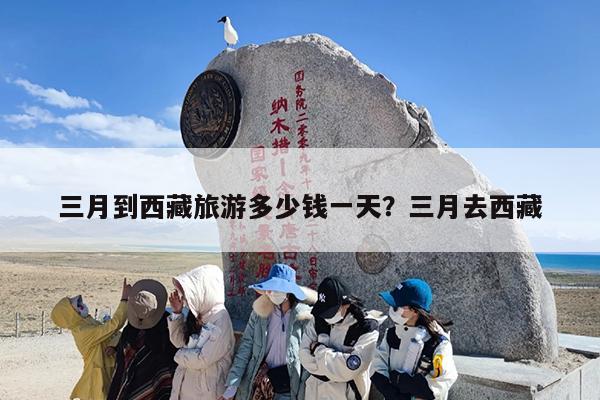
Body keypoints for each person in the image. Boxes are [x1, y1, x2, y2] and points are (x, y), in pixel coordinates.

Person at [220, 263, 317, 400]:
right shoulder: (259, 314)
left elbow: (308, 363)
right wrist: (232, 385)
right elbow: (245, 348)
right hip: (262, 383)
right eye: (270, 289)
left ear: (288, 292)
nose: (271, 292)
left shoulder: (304, 319)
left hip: (289, 389)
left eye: (277, 289)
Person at [370, 279, 458, 400]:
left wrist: (406, 383)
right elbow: (377, 363)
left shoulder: (438, 342)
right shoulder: (392, 334)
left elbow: (443, 380)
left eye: (396, 306)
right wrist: (389, 391)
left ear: (415, 311)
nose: (392, 309)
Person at [299, 276, 385, 400]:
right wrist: (336, 368)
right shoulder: (319, 317)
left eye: (330, 311)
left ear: (346, 305)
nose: (326, 317)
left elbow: (352, 369)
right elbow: (304, 356)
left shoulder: (365, 326)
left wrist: (318, 349)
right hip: (315, 394)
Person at [50, 278, 130, 400]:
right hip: (96, 379)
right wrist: (124, 299)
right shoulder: (82, 332)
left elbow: (113, 334)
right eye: (77, 306)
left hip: (109, 372)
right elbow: (114, 325)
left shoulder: (88, 322)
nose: (82, 306)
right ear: (70, 315)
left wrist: (113, 345)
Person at [167, 265, 235, 400]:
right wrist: (177, 313)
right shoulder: (198, 314)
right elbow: (178, 342)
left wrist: (179, 355)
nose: (185, 299)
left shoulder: (221, 319)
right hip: (186, 389)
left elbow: (203, 359)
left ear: (202, 291)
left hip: (205, 393)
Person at [108, 279, 178, 400]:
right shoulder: (166, 326)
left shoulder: (130, 330)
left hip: (133, 388)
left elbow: (122, 368)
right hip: (160, 386)